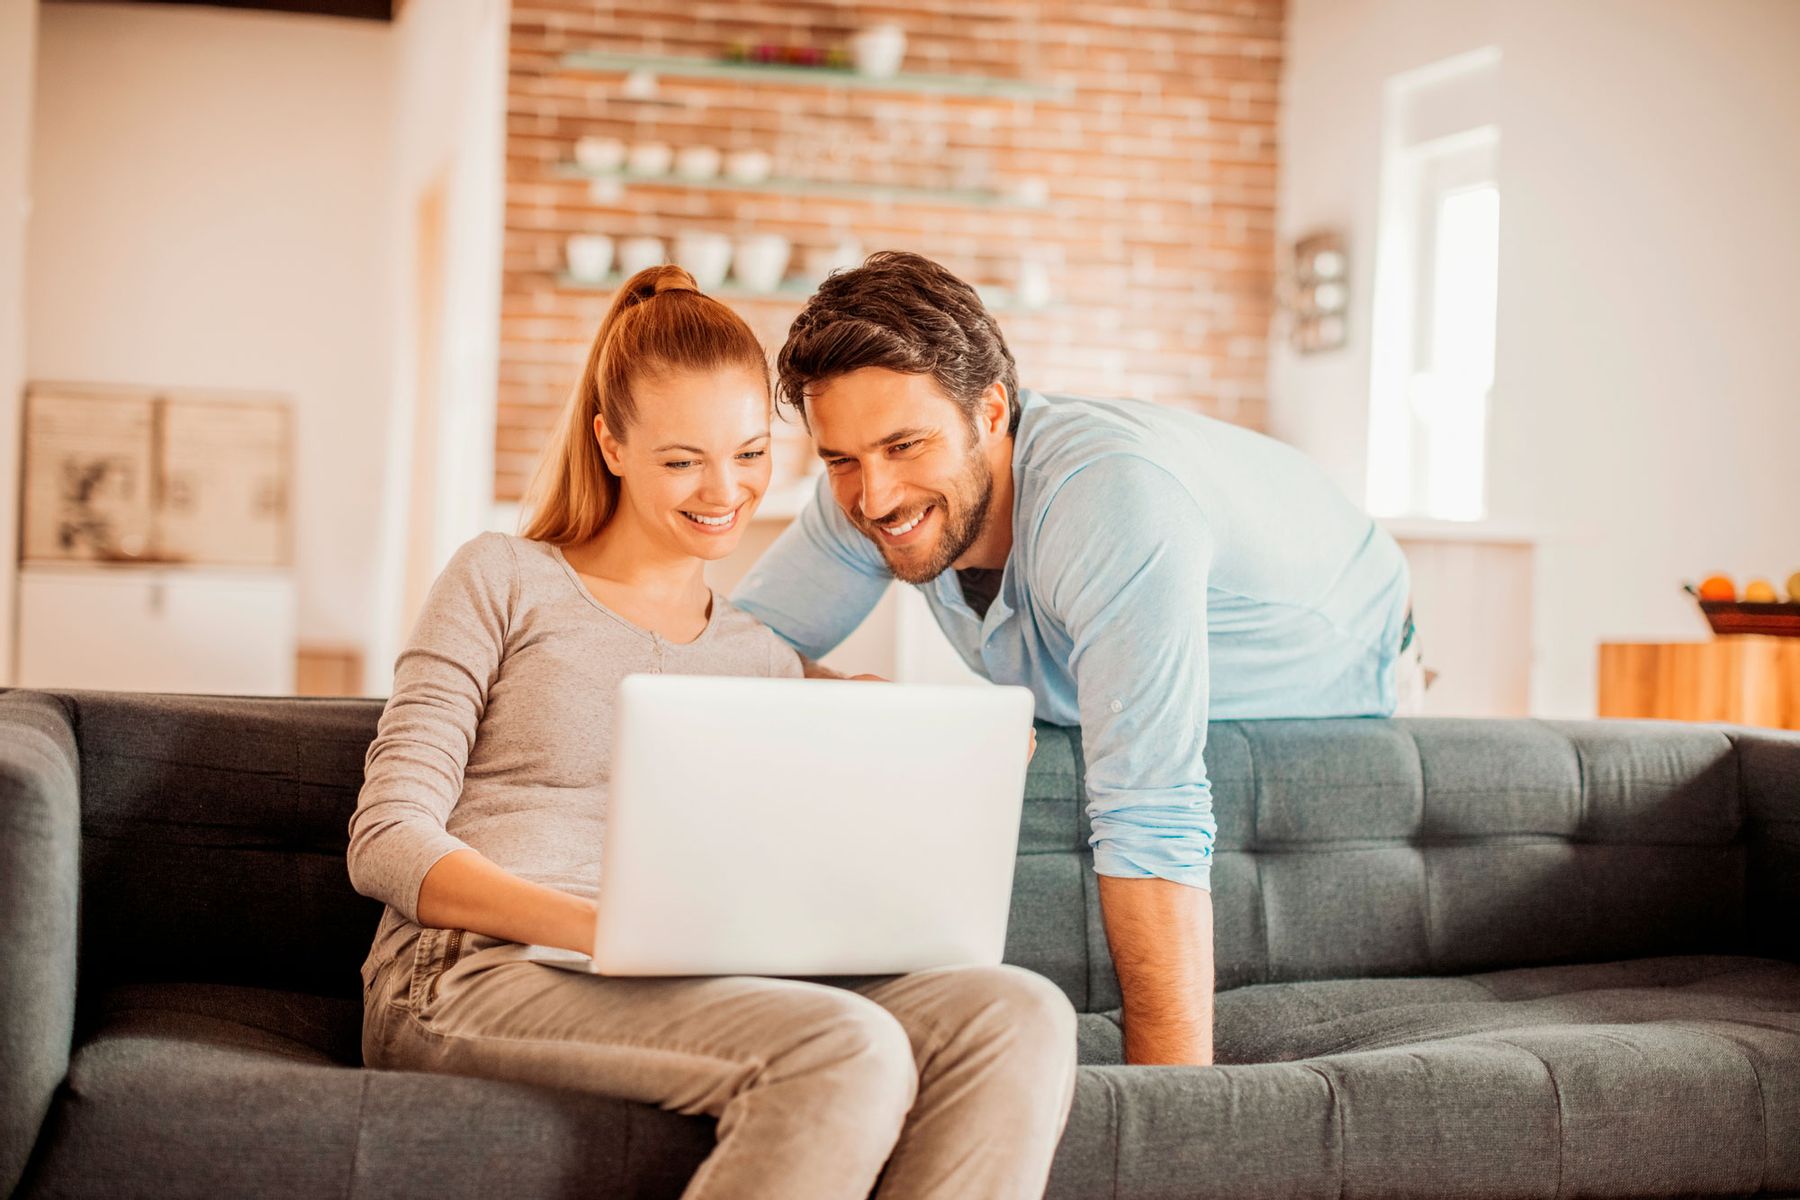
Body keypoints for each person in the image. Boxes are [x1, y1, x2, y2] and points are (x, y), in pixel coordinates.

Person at [347, 264, 1077, 1200]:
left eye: (749, 453)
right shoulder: (502, 578)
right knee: (841, 1049)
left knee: (1018, 1013)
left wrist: (944, 753)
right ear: (611, 443)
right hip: (474, 972)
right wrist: (603, 928)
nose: (724, 490)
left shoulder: (762, 657)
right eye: (683, 459)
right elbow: (386, 840)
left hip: (684, 971)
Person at [733, 251, 1418, 1068]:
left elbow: (1150, 807)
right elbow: (735, 656)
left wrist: (1172, 1122)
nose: (872, 497)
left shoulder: (1109, 501)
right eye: (840, 459)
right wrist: (848, 698)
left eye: (904, 446)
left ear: (992, 411)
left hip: (1346, 649)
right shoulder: (865, 496)